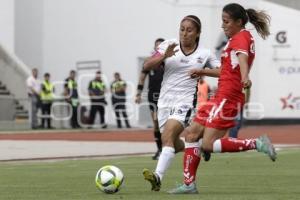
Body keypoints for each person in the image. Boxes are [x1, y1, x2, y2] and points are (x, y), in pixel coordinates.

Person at [168, 3, 276, 194]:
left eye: (226, 22)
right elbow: (225, 71)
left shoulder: (241, 37)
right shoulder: (236, 39)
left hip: (229, 97)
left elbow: (242, 59)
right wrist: (202, 71)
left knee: (208, 144)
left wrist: (245, 77)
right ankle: (188, 184)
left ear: (239, 22)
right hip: (220, 96)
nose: (223, 25)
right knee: (192, 133)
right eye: (222, 21)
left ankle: (257, 143)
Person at [142, 15, 221, 191]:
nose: (184, 33)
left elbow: (222, 71)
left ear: (198, 33)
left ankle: (157, 177)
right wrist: (163, 56)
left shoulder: (205, 53)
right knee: (169, 141)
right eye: (182, 29)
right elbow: (147, 65)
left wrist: (203, 71)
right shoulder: (168, 45)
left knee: (168, 136)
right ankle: (197, 147)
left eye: (189, 30)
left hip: (185, 102)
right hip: (164, 102)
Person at [135, 38, 165, 160]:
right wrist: (138, 93)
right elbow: (142, 78)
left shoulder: (168, 62)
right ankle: (160, 149)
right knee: (156, 122)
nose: (158, 49)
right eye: (156, 47)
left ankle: (168, 147)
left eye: (161, 47)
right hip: (153, 96)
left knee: (167, 123)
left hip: (167, 96)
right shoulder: (148, 62)